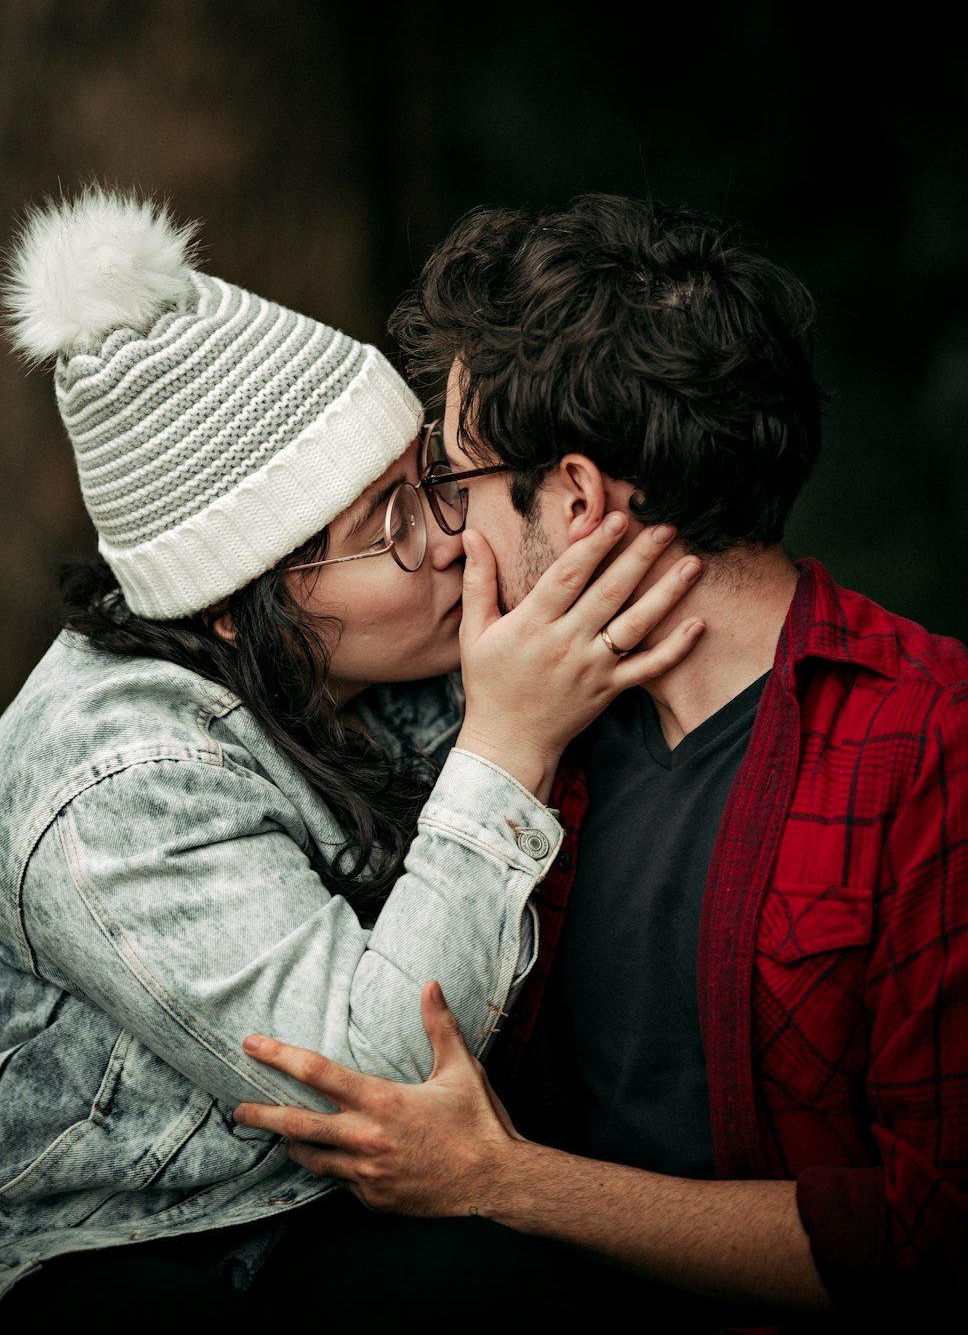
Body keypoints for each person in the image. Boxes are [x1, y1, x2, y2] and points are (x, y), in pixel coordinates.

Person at [0, 187, 706, 1326]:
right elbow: (379, 1090)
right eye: (385, 527)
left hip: (279, 1211)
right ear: (236, 605)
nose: (448, 538)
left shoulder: (372, 652)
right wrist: (508, 743)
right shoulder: (117, 786)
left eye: (427, 481)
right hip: (75, 1239)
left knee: (511, 1291)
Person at [233, 193, 968, 1331]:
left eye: (458, 485)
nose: (444, 537)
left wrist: (510, 1184)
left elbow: (932, 1237)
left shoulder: (930, 744)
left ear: (574, 499)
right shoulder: (516, 727)